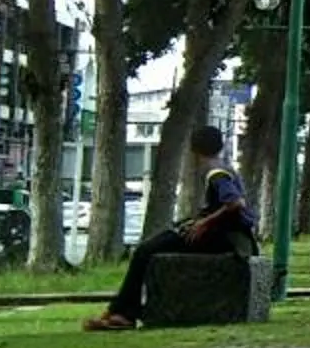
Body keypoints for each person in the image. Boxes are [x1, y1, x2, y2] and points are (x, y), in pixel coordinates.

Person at [87, 126, 257, 330]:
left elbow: (236, 203)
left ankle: (123, 312)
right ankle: (122, 310)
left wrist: (204, 223)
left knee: (144, 251)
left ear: (194, 150)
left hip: (224, 239)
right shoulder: (225, 167)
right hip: (230, 238)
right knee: (157, 244)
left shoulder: (215, 171)